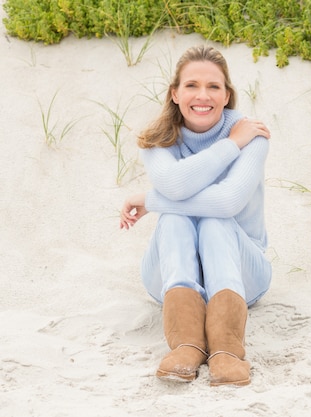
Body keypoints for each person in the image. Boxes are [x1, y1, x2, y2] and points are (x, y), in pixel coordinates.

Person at [119, 45, 272, 386]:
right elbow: (173, 184)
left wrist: (149, 200)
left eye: (213, 86)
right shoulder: (158, 138)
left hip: (243, 274)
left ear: (227, 95)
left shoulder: (253, 134)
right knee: (175, 219)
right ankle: (186, 345)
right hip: (171, 276)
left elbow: (227, 202)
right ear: (175, 93)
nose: (202, 96)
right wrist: (229, 145)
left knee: (217, 221)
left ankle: (227, 349)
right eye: (191, 85)